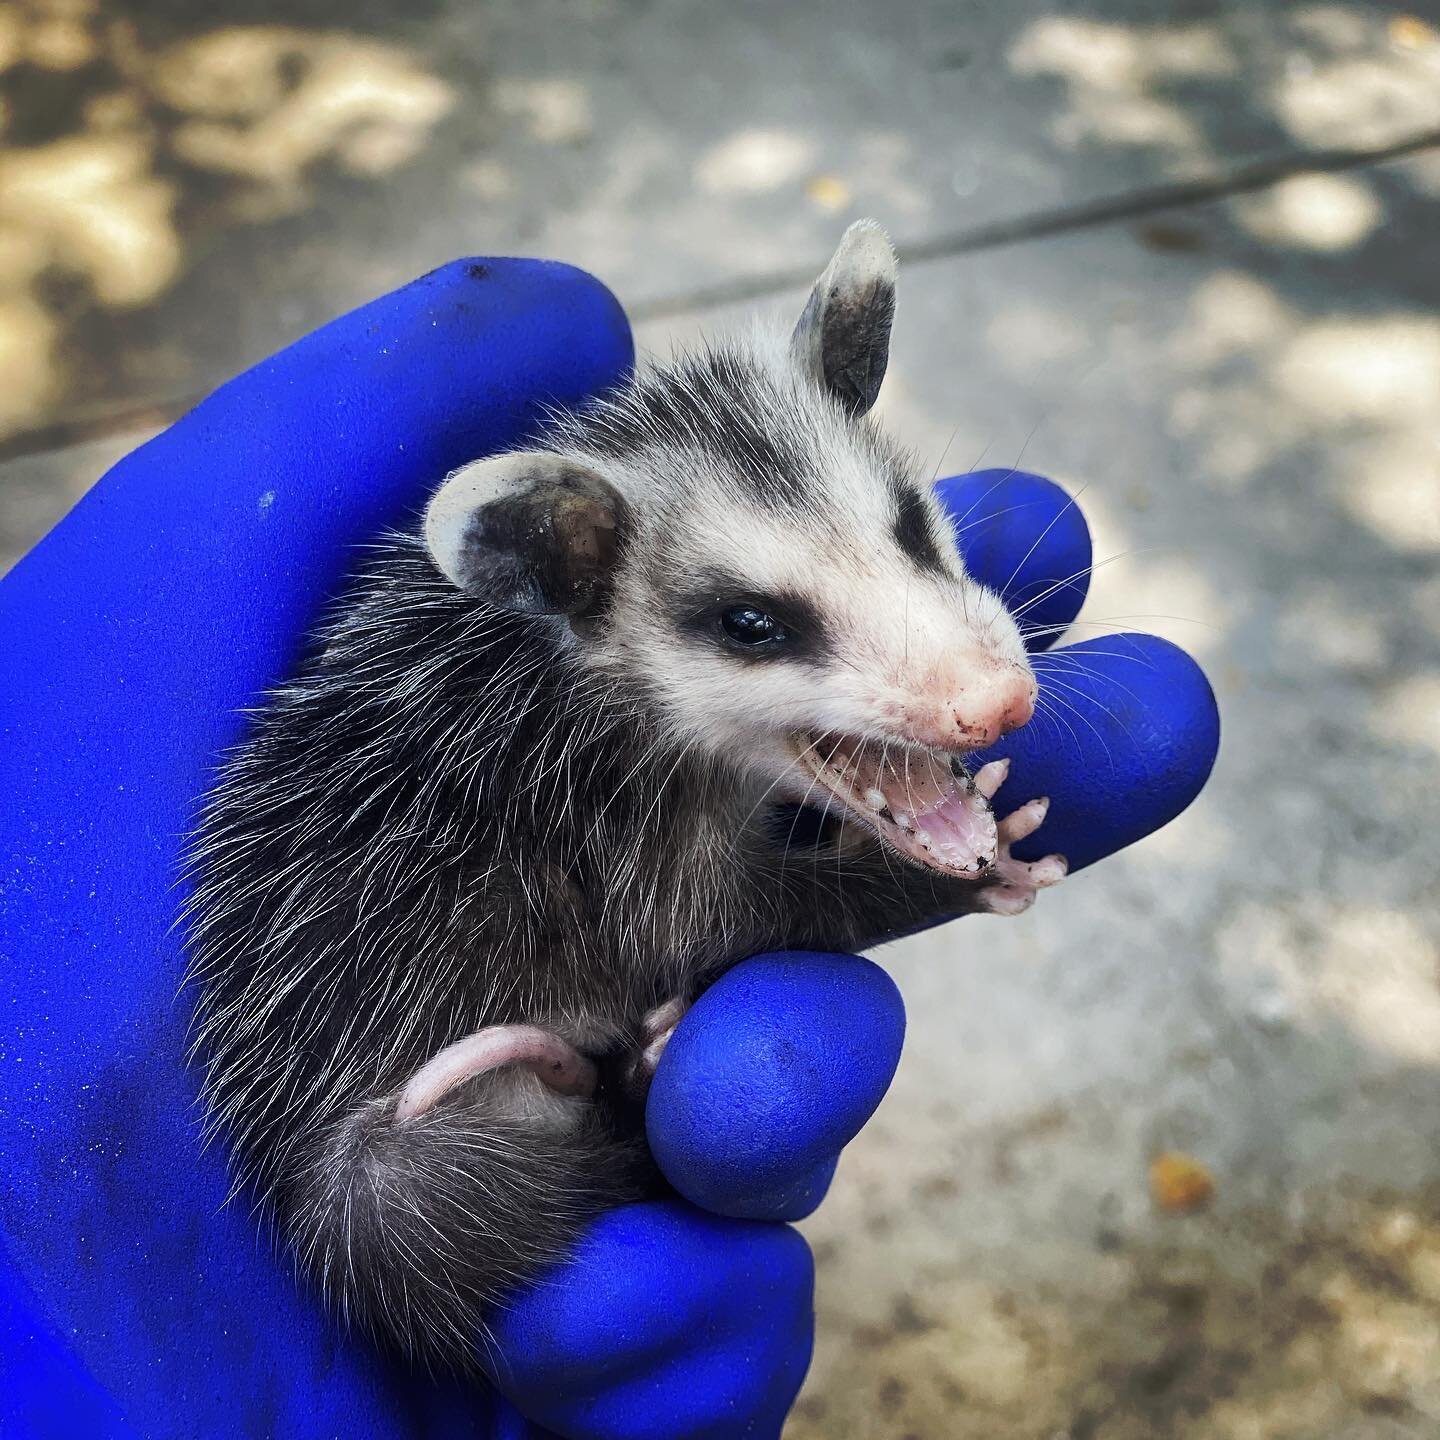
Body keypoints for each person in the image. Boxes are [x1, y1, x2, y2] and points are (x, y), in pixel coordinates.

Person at [0, 257, 1218, 1439]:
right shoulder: (613, 753)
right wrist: (908, 869)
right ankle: (623, 1093)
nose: (983, 688)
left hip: (479, 1037)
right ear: (570, 578)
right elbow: (706, 914)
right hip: (396, 1151)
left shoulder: (639, 700)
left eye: (911, 537)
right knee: (444, 1198)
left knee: (717, 1128)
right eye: (756, 625)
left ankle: (627, 1079)